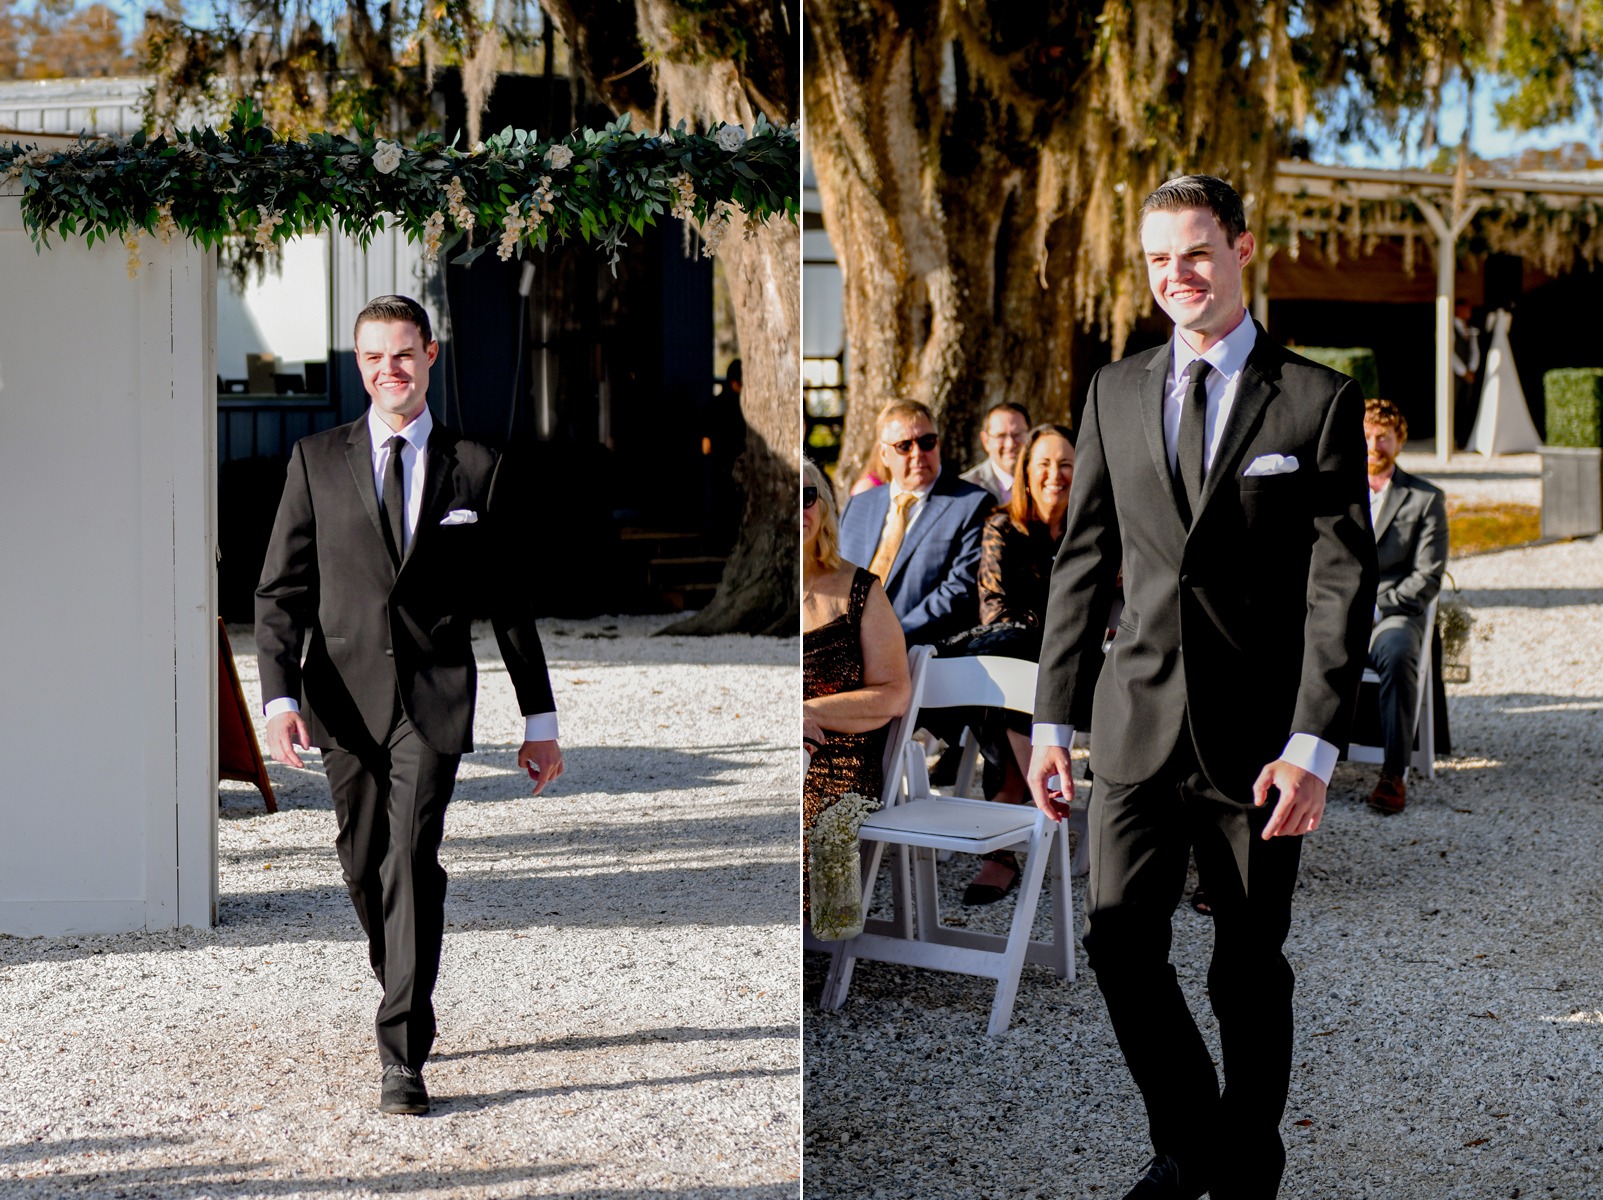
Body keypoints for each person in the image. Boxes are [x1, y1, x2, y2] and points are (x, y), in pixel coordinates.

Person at [1027, 175, 1376, 1200]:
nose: (1174, 276)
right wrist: (1051, 716)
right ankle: (1201, 1146)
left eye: (1194, 253)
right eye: (1155, 260)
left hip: (1257, 740)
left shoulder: (1313, 398)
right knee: (1118, 944)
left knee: (1245, 965)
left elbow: (1340, 585)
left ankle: (1241, 1167)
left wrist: (1314, 744)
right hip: (1132, 721)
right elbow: (1082, 563)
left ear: (1240, 251)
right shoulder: (1113, 390)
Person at [255, 294, 564, 1117]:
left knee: (409, 858)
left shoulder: (477, 466)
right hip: (341, 702)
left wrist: (540, 720)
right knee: (362, 865)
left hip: (432, 701)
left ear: (429, 355)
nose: (388, 369)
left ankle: (402, 1052)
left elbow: (509, 605)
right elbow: (280, 593)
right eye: (372, 358)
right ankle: (401, 970)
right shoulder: (316, 460)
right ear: (358, 366)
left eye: (403, 354)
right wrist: (278, 696)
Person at [961, 423, 1075, 904]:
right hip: (1019, 654)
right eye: (1044, 464)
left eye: (1066, 464)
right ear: (1026, 473)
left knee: (1013, 667)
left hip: (1079, 667)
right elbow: (995, 610)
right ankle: (1035, 786)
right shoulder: (1002, 525)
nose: (1055, 475)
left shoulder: (1094, 527)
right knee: (1010, 654)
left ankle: (1008, 819)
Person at [803, 458, 911, 906]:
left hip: (840, 761)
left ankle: (815, 946)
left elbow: (895, 692)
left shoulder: (861, 591)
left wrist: (807, 713)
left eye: (807, 496)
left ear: (825, 507)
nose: (797, 509)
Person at [838, 400, 992, 647]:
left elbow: (959, 590)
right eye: (904, 446)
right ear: (884, 454)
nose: (918, 453)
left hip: (921, 651)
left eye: (927, 442)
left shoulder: (972, 504)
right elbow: (833, 573)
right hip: (846, 646)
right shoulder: (859, 505)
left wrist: (890, 636)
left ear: (938, 444)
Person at [1361, 397, 1448, 815]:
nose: (1373, 446)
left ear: (1399, 442)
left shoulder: (1425, 499)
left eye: (1383, 438)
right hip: (1331, 613)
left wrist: (1375, 607)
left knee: (1396, 655)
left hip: (1391, 616)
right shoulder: (1329, 491)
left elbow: (1427, 577)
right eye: (1366, 437)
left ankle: (1392, 774)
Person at [960, 400, 1032, 504]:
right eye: (1001, 436)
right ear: (986, 441)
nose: (1010, 444)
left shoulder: (1046, 483)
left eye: (1017, 434)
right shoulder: (965, 490)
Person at [1451, 299, 1482, 450]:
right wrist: (1463, 371)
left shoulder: (1470, 328)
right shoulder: (1449, 327)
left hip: (1469, 374)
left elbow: (1475, 350)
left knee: (1467, 405)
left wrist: (1472, 368)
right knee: (1454, 405)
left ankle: (1463, 439)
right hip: (1455, 375)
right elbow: (1449, 353)